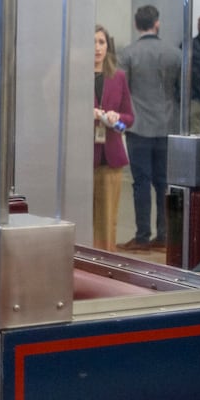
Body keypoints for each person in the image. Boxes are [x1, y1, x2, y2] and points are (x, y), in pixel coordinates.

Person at [118, 4, 180, 250]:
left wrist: (122, 123)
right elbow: (180, 91)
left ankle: (142, 235)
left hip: (138, 127)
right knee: (164, 183)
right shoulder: (173, 53)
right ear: (157, 23)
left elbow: (123, 91)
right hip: (167, 126)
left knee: (141, 182)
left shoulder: (128, 54)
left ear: (136, 24)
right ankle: (164, 236)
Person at [92, 26, 134, 251]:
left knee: (108, 219)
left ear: (108, 46)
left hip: (111, 158)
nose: (97, 48)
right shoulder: (76, 78)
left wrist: (116, 118)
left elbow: (129, 119)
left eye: (101, 42)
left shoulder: (118, 77)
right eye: (92, 42)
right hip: (84, 158)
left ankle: (107, 261)